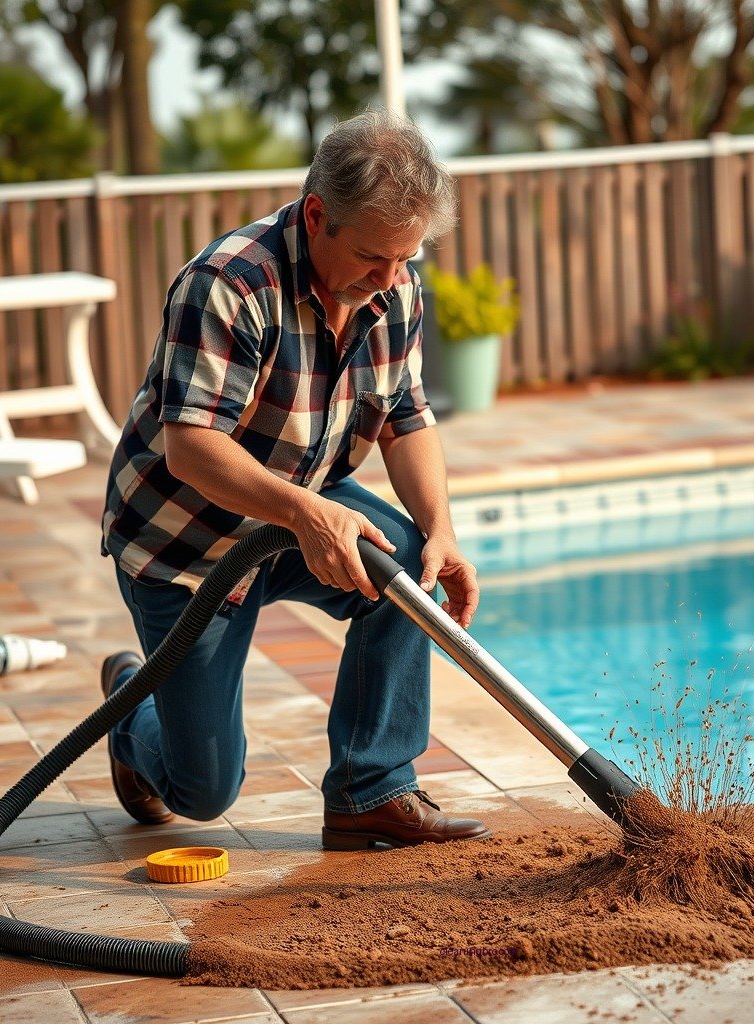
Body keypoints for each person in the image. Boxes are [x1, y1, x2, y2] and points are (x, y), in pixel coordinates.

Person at [99, 111, 491, 850]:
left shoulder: (392, 284)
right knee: (203, 793)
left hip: (300, 489)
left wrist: (441, 528)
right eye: (376, 258)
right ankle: (130, 705)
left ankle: (370, 791)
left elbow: (407, 417)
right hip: (187, 543)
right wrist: (308, 516)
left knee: (406, 559)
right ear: (318, 216)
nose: (392, 279)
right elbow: (191, 448)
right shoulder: (228, 285)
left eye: (406, 259)